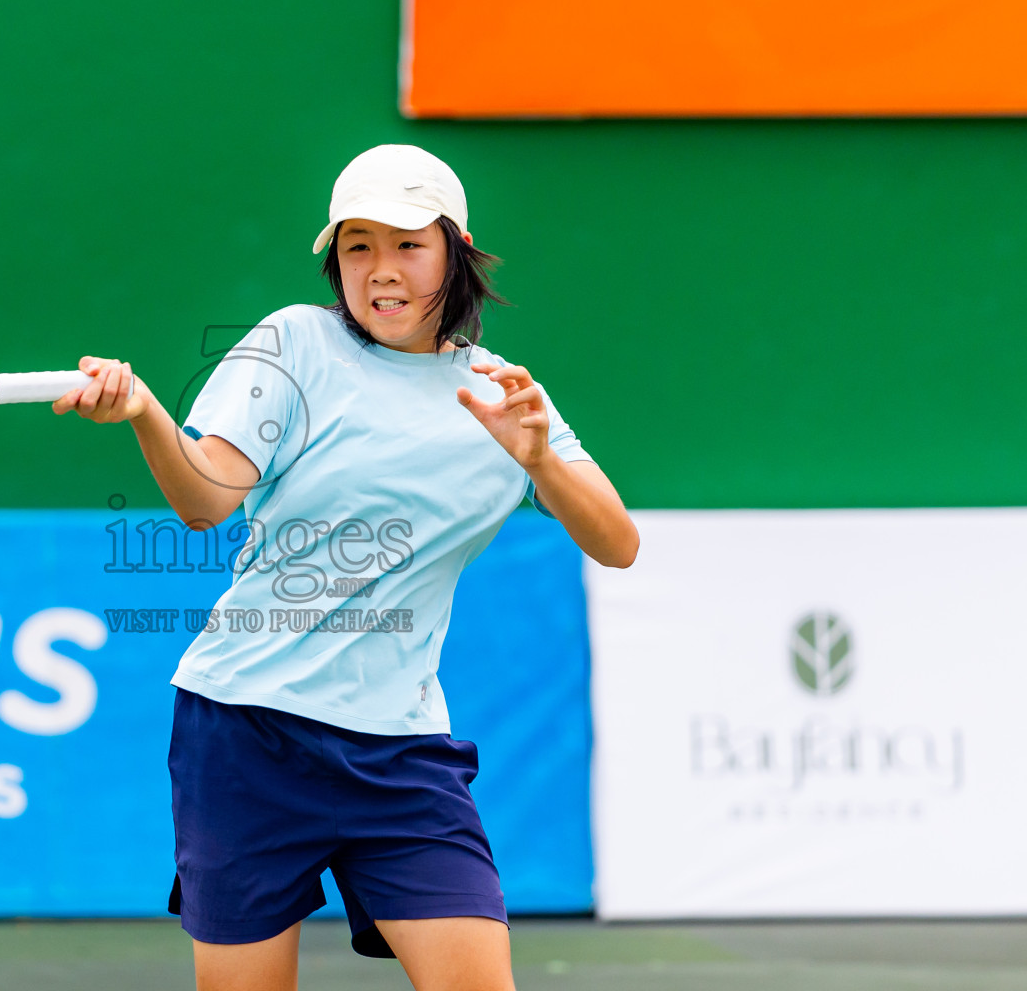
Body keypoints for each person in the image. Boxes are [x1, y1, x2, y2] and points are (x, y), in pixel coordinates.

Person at [54, 144, 638, 991]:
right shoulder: (295, 343)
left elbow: (618, 543)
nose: (381, 270)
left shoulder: (504, 397)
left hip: (401, 755)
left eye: (408, 244)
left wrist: (540, 459)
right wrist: (146, 412)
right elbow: (206, 499)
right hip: (246, 732)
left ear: (456, 250)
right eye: (358, 246)